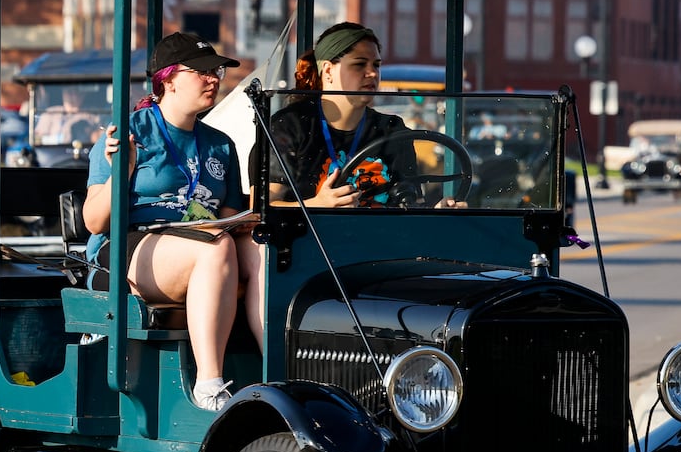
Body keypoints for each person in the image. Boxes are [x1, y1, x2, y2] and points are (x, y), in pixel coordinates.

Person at [82, 32, 262, 412]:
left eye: (216, 71)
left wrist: (247, 222)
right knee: (217, 250)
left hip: (199, 241)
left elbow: (228, 218)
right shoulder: (130, 132)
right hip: (126, 248)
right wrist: (124, 169)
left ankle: (273, 370)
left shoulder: (220, 143)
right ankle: (209, 385)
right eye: (202, 71)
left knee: (262, 248)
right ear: (168, 80)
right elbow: (94, 222)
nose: (214, 78)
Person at [269, 22, 445, 208]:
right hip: (310, 235)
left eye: (376, 65)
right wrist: (316, 204)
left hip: (380, 235)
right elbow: (262, 208)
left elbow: (411, 203)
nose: (372, 73)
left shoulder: (392, 129)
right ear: (328, 71)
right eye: (359, 64)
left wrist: (439, 211)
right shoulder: (290, 125)